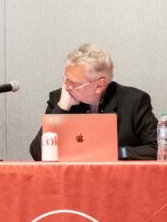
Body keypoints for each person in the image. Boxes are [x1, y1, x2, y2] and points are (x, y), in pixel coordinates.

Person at [29, 44, 157, 160]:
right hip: (73, 176)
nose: (67, 87)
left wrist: (116, 153)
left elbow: (158, 148)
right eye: (66, 80)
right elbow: (37, 154)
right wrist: (61, 108)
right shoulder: (60, 98)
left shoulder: (134, 101)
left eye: (75, 83)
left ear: (100, 85)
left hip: (118, 176)